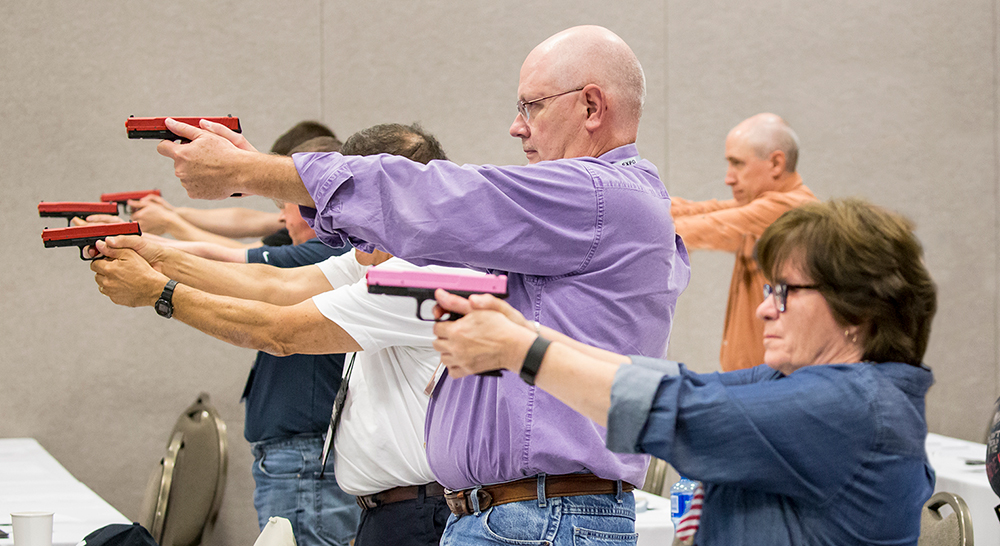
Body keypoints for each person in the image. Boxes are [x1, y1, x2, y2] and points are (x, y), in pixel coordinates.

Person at [151, 25, 690, 545]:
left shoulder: (595, 196)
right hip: (518, 512)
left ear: (592, 106)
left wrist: (251, 175)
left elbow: (435, 199)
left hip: (540, 515)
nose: (517, 126)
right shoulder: (590, 210)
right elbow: (419, 222)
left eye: (532, 105)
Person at [432, 198, 937, 545]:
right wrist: (527, 336)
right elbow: (667, 384)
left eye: (783, 292)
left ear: (859, 311)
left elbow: (677, 412)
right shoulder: (805, 386)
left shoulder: (852, 407)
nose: (764, 310)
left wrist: (522, 351)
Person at [93, 124, 454, 546]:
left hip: (419, 512)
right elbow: (273, 286)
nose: (331, 223)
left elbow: (279, 332)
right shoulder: (377, 256)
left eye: (344, 202)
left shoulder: (416, 272)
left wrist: (160, 293)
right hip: (396, 510)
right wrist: (156, 255)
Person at [671, 113, 817, 372]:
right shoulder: (759, 208)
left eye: (737, 164)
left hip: (775, 386)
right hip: (758, 382)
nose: (728, 178)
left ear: (775, 163)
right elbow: (700, 212)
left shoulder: (793, 211)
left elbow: (700, 227)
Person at [129, 122, 340, 248]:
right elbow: (247, 220)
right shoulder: (310, 221)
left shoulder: (324, 239)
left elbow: (240, 256)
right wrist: (176, 213)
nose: (282, 214)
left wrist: (170, 222)